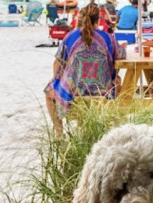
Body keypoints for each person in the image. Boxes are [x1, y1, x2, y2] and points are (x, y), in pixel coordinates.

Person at [44, 3, 125, 134]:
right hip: (103, 91)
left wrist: (56, 78)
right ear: (98, 20)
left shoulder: (70, 36)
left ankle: (59, 132)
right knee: (119, 81)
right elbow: (121, 56)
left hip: (74, 91)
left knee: (48, 92)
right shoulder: (107, 38)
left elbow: (57, 63)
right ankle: (111, 126)